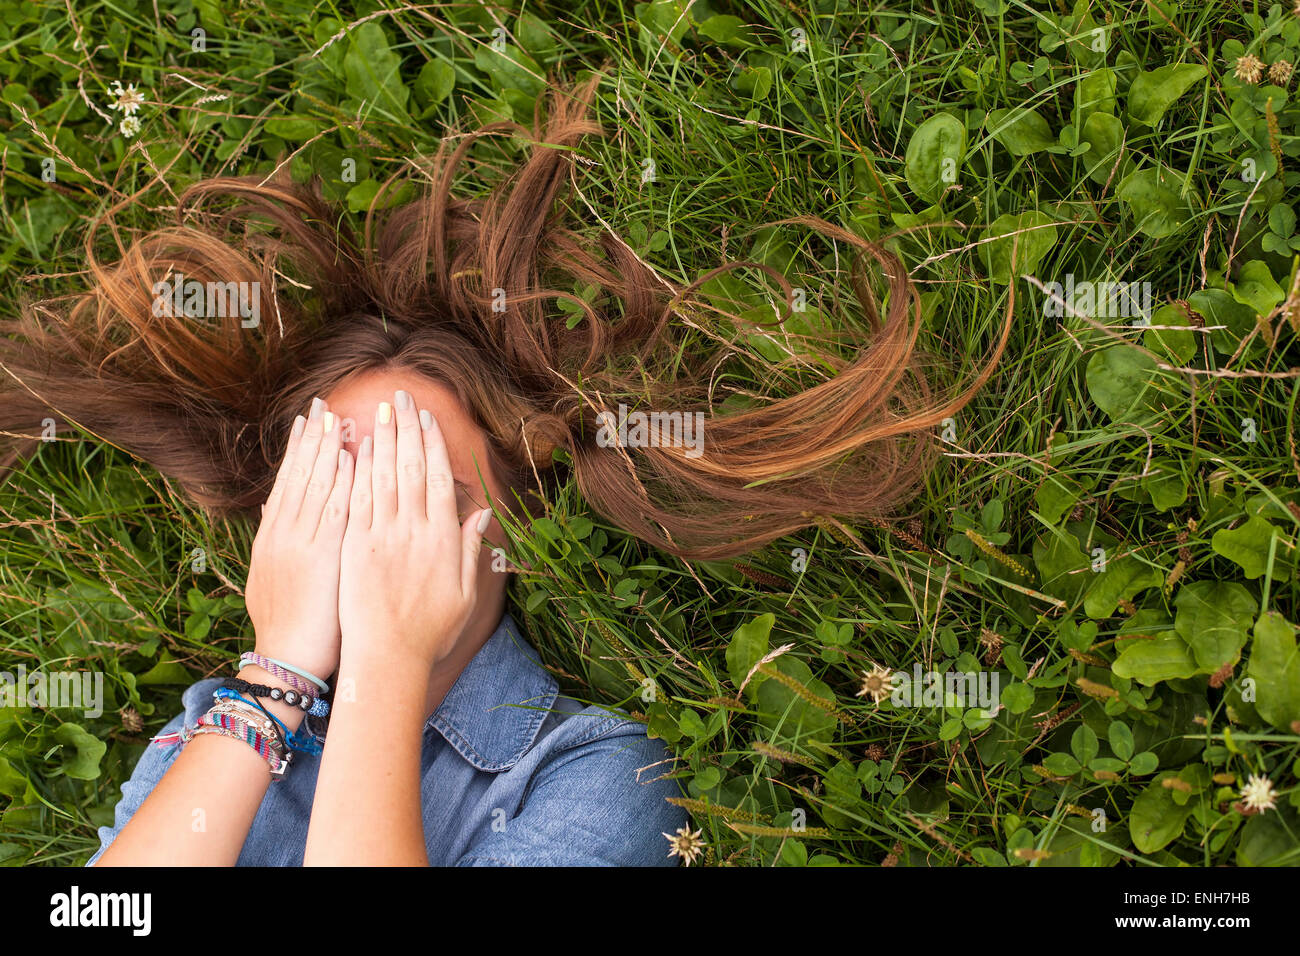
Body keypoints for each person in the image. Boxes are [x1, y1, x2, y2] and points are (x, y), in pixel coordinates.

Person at [0, 71, 1008, 865]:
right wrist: (271, 683)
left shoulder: (589, 772)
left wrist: (389, 663)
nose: (371, 530)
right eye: (338, 485)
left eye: (421, 495)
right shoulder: (208, 736)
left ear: (510, 542)